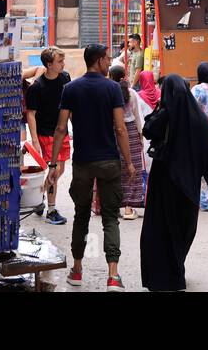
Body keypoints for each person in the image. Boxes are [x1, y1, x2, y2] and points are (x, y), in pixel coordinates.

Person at [47, 44, 136, 292]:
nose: (110, 63)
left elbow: (61, 128)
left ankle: (76, 270)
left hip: (83, 162)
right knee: (110, 218)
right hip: (109, 161)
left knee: (81, 215)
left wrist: (53, 164)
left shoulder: (70, 89)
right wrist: (128, 162)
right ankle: (113, 276)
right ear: (98, 60)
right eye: (107, 59)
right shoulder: (112, 88)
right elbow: (120, 128)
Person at [140, 74, 208, 291]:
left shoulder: (166, 115)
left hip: (163, 183)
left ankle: (161, 277)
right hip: (187, 186)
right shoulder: (198, 119)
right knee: (183, 229)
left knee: (160, 228)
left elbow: (147, 130)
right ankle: (176, 273)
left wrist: (161, 108)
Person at [91, 63, 147, 220]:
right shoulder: (131, 94)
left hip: (110, 133)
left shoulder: (104, 92)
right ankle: (129, 208)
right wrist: (140, 135)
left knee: (111, 168)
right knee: (132, 169)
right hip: (130, 133)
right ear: (124, 77)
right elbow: (137, 117)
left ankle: (110, 205)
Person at [24, 47, 70, 224]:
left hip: (62, 131)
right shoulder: (37, 87)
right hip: (46, 134)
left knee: (61, 169)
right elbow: (31, 115)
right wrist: (34, 141)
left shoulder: (65, 78)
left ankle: (39, 195)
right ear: (49, 64)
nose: (63, 64)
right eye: (59, 61)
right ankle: (51, 210)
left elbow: (68, 104)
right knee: (55, 169)